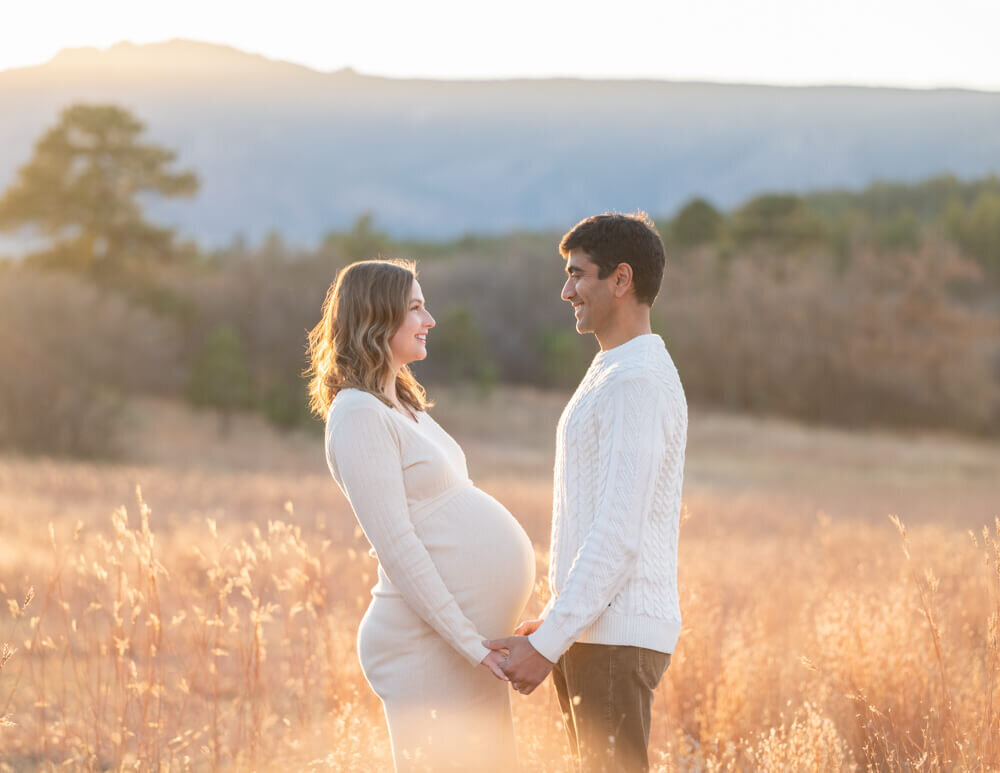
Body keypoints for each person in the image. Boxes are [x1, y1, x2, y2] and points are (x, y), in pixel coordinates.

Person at [307, 259, 536, 772]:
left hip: (460, 647)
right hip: (428, 647)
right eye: (414, 308)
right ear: (376, 318)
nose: (429, 319)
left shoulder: (399, 404)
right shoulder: (357, 414)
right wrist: (469, 643)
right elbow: (398, 545)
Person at [486, 212, 687, 772]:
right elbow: (593, 519)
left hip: (614, 641)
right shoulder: (614, 368)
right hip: (593, 635)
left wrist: (550, 642)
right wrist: (555, 622)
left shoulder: (637, 382)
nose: (565, 290)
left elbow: (619, 534)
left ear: (620, 280)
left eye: (578, 275)